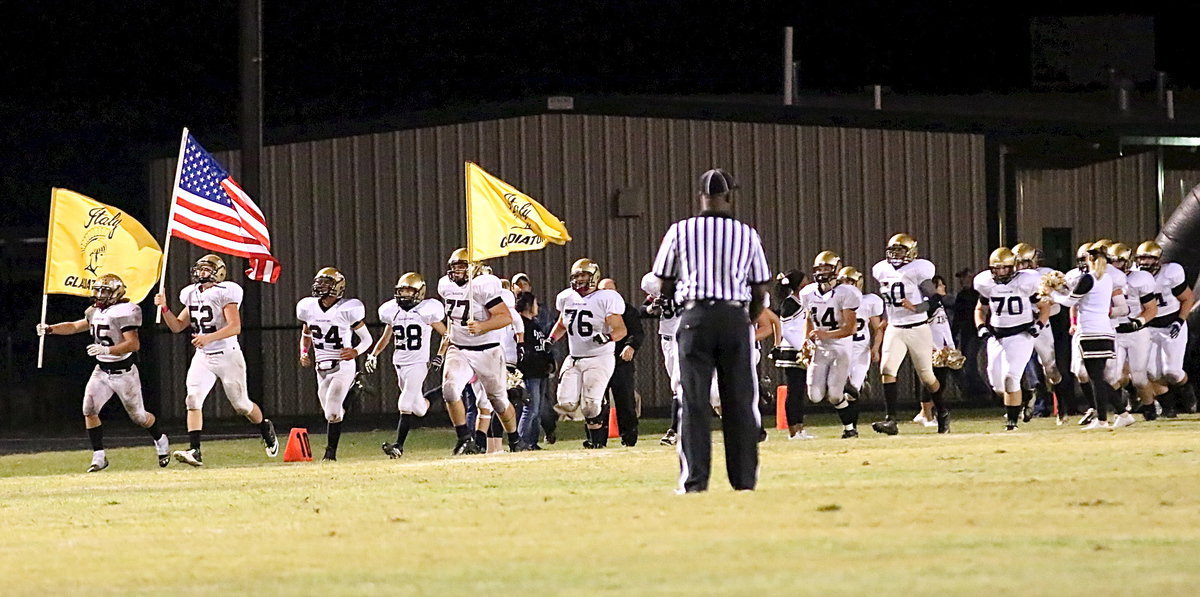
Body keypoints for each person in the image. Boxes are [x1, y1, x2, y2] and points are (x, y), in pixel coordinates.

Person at [652, 167, 771, 493]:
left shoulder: (680, 231)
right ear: (729, 196)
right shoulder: (747, 234)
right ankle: (744, 481)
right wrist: (747, 317)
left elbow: (662, 278)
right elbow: (760, 287)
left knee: (693, 401)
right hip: (734, 317)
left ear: (700, 197)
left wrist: (677, 296)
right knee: (739, 402)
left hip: (696, 317)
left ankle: (694, 482)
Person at [154, 254, 278, 467]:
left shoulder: (225, 292)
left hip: (227, 355)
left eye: (206, 269)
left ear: (218, 272)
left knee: (241, 405)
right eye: (200, 269)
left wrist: (207, 338)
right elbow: (176, 326)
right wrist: (165, 308)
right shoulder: (191, 294)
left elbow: (234, 327)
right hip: (203, 357)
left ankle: (265, 427)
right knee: (192, 399)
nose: (201, 273)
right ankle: (195, 450)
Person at [38, 274, 170, 472]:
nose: (99, 295)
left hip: (124, 373)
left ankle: (161, 439)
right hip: (101, 371)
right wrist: (50, 329)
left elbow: (133, 344)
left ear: (116, 293)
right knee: (89, 409)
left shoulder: (126, 310)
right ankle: (99, 455)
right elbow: (75, 326)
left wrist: (107, 350)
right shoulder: (94, 311)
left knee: (139, 417)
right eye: (98, 290)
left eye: (104, 291)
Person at [437, 249, 525, 454]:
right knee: (449, 389)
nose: (456, 271)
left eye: (461, 266)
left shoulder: (484, 285)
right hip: (459, 348)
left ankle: (514, 438)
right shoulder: (446, 285)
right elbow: (452, 318)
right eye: (453, 266)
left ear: (473, 267)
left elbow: (505, 317)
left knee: (498, 401)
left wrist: (482, 326)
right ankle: (464, 438)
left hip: (487, 351)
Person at [1045, 242, 1130, 429]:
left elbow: (1069, 302)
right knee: (1099, 377)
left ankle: (1102, 419)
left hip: (1091, 331)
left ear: (1090, 259)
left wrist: (1052, 294)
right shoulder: (1107, 279)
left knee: (1096, 378)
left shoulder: (1088, 279)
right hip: (1105, 331)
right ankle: (1123, 413)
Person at [549, 259, 628, 449]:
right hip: (575, 357)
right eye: (576, 276)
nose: (579, 279)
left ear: (594, 277)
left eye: (583, 275)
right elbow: (562, 323)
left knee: (590, 406)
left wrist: (608, 337)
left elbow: (621, 329)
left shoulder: (605, 298)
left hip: (599, 357)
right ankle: (597, 415)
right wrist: (550, 339)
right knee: (566, 403)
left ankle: (596, 441)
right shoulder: (567, 297)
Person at [367, 272, 447, 459]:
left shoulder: (427, 311)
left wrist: (439, 356)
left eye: (409, 291)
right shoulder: (393, 311)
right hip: (399, 363)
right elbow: (386, 337)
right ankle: (443, 391)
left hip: (418, 363)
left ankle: (398, 446)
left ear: (419, 292)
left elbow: (446, 334)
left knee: (404, 402)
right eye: (402, 290)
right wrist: (373, 354)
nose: (404, 295)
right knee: (419, 408)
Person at [296, 267, 372, 461]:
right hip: (321, 367)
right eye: (319, 282)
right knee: (333, 412)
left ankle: (330, 454)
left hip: (342, 365)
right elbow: (306, 335)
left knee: (332, 412)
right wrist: (304, 352)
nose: (320, 286)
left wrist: (355, 351)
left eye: (326, 283)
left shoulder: (347, 309)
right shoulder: (309, 307)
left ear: (337, 287)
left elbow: (367, 340)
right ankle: (355, 389)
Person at [871, 234, 944, 435]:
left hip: (918, 327)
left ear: (911, 252)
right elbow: (890, 300)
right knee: (887, 369)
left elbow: (935, 299)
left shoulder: (918, 269)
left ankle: (942, 411)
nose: (894, 255)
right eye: (892, 250)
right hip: (895, 327)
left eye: (900, 251)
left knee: (927, 376)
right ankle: (891, 420)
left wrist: (916, 307)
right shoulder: (882, 269)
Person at [974, 248, 1049, 431]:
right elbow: (980, 309)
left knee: (1011, 378)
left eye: (1004, 268)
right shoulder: (986, 284)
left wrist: (1038, 325)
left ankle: (1012, 423)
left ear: (1013, 267)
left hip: (1020, 335)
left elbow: (1044, 307)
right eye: (996, 268)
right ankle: (1025, 396)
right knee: (997, 385)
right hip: (997, 336)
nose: (1000, 272)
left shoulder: (1026, 282)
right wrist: (981, 327)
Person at [798, 251, 862, 438]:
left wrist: (825, 334)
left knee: (834, 395)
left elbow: (850, 329)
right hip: (820, 347)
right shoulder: (808, 293)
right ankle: (847, 387)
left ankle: (850, 429)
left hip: (840, 346)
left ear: (836, 269)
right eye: (819, 268)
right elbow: (809, 318)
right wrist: (806, 340)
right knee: (815, 396)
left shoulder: (846, 293)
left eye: (826, 268)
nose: (822, 272)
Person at [1135, 240, 1197, 418]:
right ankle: (1168, 406)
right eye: (1142, 258)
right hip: (1149, 327)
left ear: (1158, 260)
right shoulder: (1135, 276)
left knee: (1172, 372)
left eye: (1149, 258)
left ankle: (1187, 390)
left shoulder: (1170, 273)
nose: (1144, 262)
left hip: (1171, 324)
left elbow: (1188, 298)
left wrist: (1180, 320)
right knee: (1150, 372)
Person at [1106, 243, 1159, 418]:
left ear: (1127, 262)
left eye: (1119, 261)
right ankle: (1121, 411)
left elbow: (1151, 308)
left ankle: (1149, 407)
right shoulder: (1104, 279)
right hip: (1115, 331)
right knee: (1113, 377)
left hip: (1137, 332)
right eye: (1111, 261)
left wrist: (1139, 321)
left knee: (1139, 378)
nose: (1115, 265)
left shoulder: (1139, 279)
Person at [598, 278, 645, 446]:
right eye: (603, 291)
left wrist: (631, 346)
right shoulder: (594, 308)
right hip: (598, 360)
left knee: (625, 399)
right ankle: (596, 439)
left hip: (620, 360)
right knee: (596, 400)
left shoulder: (626, 309)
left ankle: (629, 437)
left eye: (611, 290)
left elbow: (637, 332)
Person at [640, 272, 683, 446]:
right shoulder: (655, 283)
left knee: (679, 385)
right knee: (677, 387)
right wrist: (653, 307)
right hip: (667, 339)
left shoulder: (692, 283)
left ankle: (675, 430)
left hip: (685, 338)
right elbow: (642, 310)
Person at [838, 266, 883, 415]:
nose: (845, 285)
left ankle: (851, 427)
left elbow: (878, 328)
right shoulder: (834, 302)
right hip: (840, 349)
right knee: (837, 391)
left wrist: (876, 348)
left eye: (848, 281)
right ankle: (849, 425)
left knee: (852, 393)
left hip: (860, 350)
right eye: (842, 282)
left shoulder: (869, 301)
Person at [515, 292, 552, 449]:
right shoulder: (521, 325)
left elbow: (543, 346)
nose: (537, 307)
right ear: (528, 306)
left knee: (536, 410)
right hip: (530, 372)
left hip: (540, 371)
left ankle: (532, 442)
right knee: (530, 408)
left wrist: (549, 362)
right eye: (535, 303)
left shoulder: (535, 324)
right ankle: (521, 441)